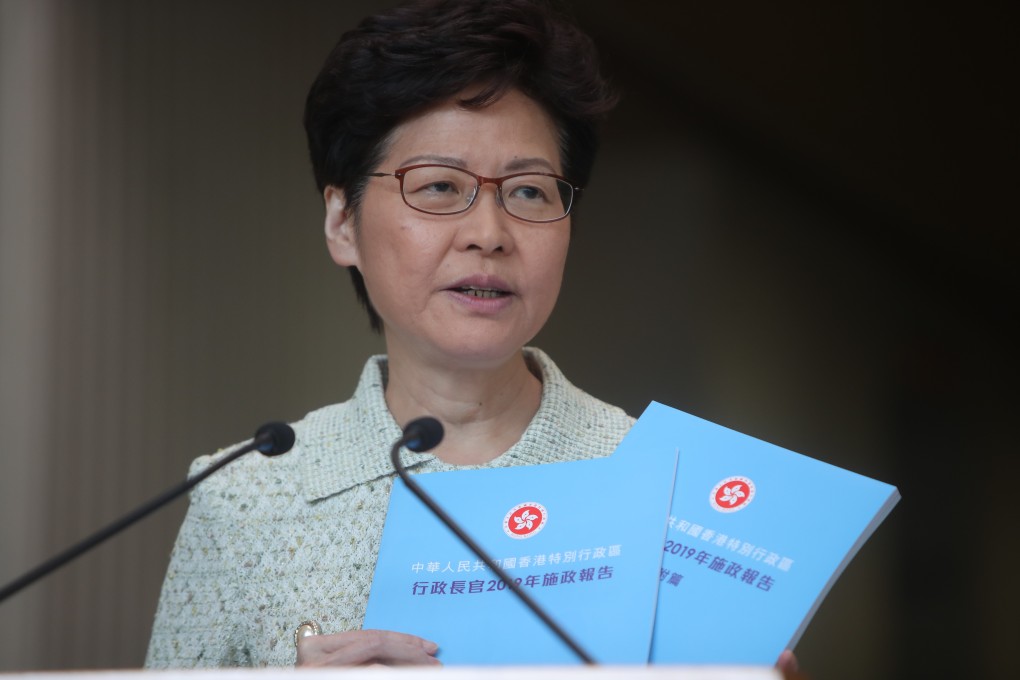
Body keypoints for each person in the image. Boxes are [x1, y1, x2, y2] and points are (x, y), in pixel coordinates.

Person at [145, 0, 799, 672]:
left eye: (528, 192)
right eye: (439, 185)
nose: (488, 232)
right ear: (342, 223)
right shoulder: (248, 497)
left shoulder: (672, 490)